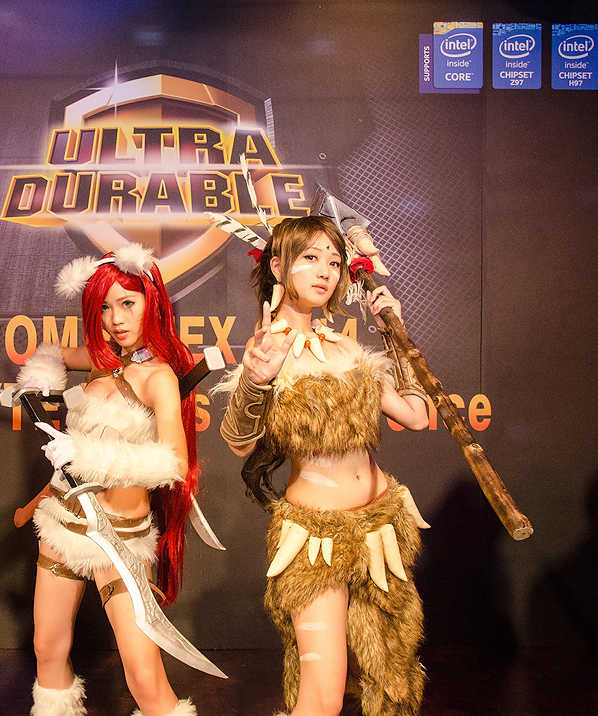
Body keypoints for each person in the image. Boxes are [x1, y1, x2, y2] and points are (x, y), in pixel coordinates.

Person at [216, 215, 431, 716]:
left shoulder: (347, 346)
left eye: (334, 262)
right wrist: (256, 381)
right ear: (277, 266)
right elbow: (238, 441)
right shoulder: (267, 350)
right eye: (310, 257)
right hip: (316, 543)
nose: (325, 271)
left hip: (380, 530)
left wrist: (394, 335)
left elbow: (417, 415)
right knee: (323, 695)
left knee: (391, 683)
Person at [14, 244, 199, 716]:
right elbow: (49, 353)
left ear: (151, 302)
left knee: (143, 672)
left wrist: (87, 454)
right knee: (47, 650)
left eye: (127, 303)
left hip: (119, 537)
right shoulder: (103, 361)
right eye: (103, 308)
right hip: (62, 524)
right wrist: (40, 377)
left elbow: (174, 463)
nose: (116, 319)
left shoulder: (158, 377)